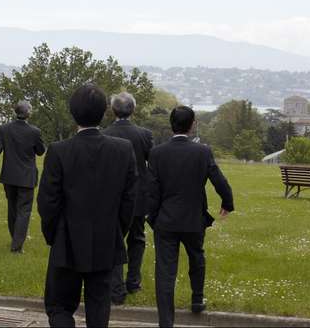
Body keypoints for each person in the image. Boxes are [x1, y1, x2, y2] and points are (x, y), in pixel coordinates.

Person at [38, 84, 137, 327]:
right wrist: (117, 231)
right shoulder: (122, 150)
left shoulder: (59, 151)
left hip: (67, 238)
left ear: (72, 112)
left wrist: (54, 235)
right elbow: (129, 200)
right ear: (104, 113)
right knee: (99, 304)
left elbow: (48, 201)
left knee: (59, 306)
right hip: (104, 237)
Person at [147, 106, 234, 328]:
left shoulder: (157, 153)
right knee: (197, 258)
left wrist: (153, 218)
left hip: (165, 219)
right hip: (193, 218)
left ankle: (166, 321)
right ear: (192, 124)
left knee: (165, 272)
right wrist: (227, 202)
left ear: (171, 124)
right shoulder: (202, 152)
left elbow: (152, 191)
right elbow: (219, 180)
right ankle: (197, 298)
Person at [103, 92, 153, 305]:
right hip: (138, 195)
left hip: (112, 196)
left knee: (115, 242)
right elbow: (153, 163)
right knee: (137, 239)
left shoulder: (104, 134)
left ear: (112, 110)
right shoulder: (144, 134)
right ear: (133, 109)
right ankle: (133, 281)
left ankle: (115, 288)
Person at [0, 100, 45, 253]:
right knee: (24, 211)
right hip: (26, 177)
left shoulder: (4, 129)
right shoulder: (35, 132)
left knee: (12, 209)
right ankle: (17, 247)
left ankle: (15, 238)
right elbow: (41, 151)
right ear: (28, 113)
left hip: (9, 176)